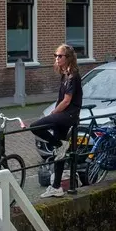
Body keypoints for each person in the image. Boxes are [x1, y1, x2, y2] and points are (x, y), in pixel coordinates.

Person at [31, 43, 85, 198]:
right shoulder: (65, 74)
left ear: (68, 58)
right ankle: (56, 187)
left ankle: (60, 144)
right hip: (64, 115)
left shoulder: (73, 76)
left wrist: (54, 112)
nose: (56, 58)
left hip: (68, 115)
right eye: (55, 56)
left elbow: (67, 101)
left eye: (59, 56)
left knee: (35, 126)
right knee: (59, 154)